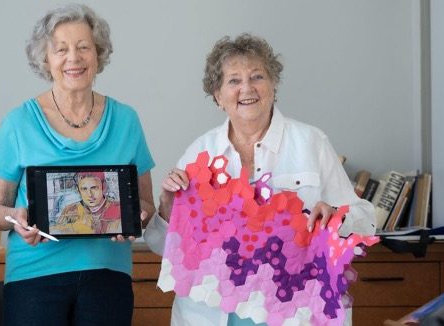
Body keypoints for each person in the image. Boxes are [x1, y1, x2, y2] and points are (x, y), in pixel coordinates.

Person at [144, 34, 376, 326]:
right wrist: (167, 205)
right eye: (233, 81)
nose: (247, 88)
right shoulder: (200, 152)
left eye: (257, 76)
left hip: (298, 313)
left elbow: (365, 220)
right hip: (212, 315)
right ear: (217, 96)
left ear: (273, 85)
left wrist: (335, 217)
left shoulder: (311, 142)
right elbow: (163, 246)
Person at [0, 4, 155, 325]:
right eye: (61, 49)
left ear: (98, 55)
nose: (73, 58)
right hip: (34, 275)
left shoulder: (127, 120)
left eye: (83, 47)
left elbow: (146, 203)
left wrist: (132, 217)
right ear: (45, 59)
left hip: (107, 273)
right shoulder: (18, 123)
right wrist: (16, 217)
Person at [54, 172, 122, 234]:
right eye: (84, 189)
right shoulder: (70, 210)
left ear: (104, 187)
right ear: (78, 190)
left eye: (94, 188)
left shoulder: (119, 209)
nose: (89, 194)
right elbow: (57, 232)